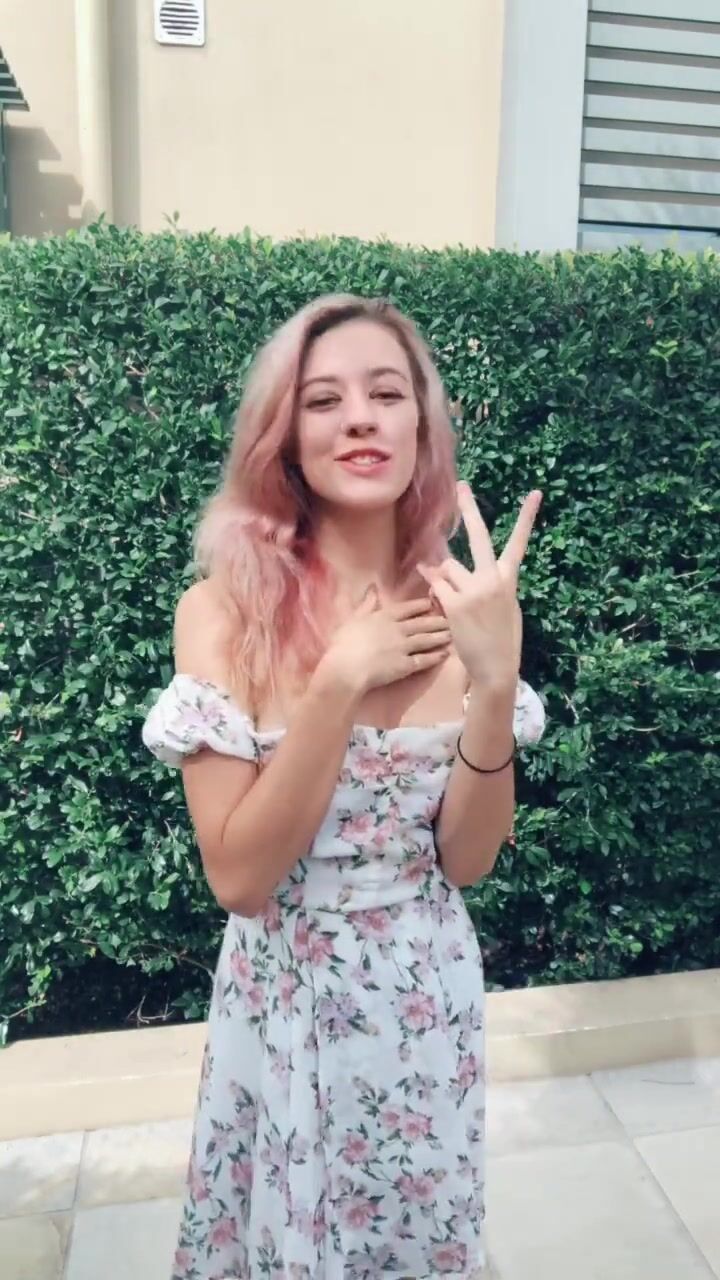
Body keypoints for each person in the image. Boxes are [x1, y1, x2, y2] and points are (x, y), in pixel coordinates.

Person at [142, 295, 546, 1280]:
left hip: (425, 1002)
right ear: (284, 438)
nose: (360, 417)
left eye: (386, 393)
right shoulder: (223, 613)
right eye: (323, 400)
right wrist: (338, 681)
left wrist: (495, 684)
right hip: (283, 997)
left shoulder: (468, 607)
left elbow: (468, 861)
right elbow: (240, 877)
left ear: (421, 426)